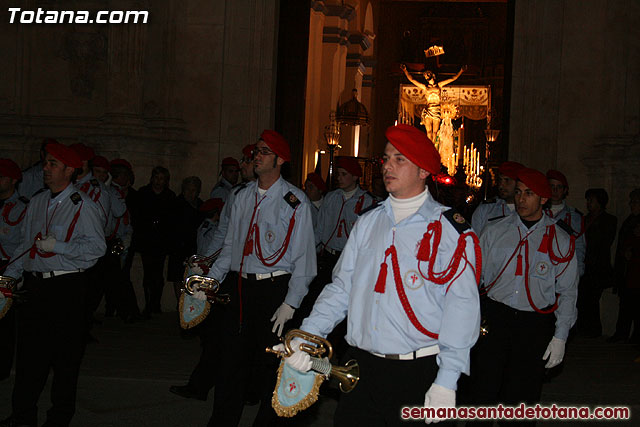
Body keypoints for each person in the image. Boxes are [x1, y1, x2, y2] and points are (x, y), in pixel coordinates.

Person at [281, 124, 481, 425]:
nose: (388, 166)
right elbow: (341, 289)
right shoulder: (368, 222)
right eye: (386, 158)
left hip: (418, 370)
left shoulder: (451, 231)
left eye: (399, 159)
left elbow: (462, 308)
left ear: (424, 170)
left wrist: (447, 379)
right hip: (361, 367)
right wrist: (308, 337)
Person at [200, 130, 316, 425]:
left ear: (280, 160)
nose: (257, 156)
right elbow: (230, 248)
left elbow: (304, 259)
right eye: (256, 151)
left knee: (271, 367)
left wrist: (291, 303)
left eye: (264, 151)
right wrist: (210, 280)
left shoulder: (294, 201)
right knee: (231, 364)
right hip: (241, 286)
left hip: (275, 289)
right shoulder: (241, 196)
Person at [1, 142, 106, 427]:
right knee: (29, 357)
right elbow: (25, 245)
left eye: (52, 164)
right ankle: (23, 415)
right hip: (35, 286)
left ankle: (59, 418)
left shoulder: (83, 206)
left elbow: (96, 248)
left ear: (70, 170)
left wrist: (58, 246)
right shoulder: (35, 202)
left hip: (66, 287)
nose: (45, 169)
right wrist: (10, 275)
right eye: (45, 163)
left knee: (65, 359)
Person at [466, 168, 578, 423]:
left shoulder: (560, 238)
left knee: (522, 399)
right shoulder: (494, 231)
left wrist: (560, 336)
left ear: (543, 199)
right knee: (483, 391)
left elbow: (568, 292)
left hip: (533, 324)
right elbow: (472, 278)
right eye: (518, 192)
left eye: (529, 193)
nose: (521, 199)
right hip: (496, 318)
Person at [135, 166, 176, 317]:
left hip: (161, 240)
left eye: (162, 179)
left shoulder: (169, 196)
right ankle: (148, 304)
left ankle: (155, 303)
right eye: (157, 178)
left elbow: (171, 221)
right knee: (148, 273)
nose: (159, 182)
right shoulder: (144, 193)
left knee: (158, 274)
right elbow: (138, 216)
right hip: (146, 239)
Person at [0, 159, 27, 382]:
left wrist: (14, 273)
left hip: (6, 267)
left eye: (2, 177)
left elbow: (24, 243)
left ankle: (2, 366)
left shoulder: (22, 207)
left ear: (14, 180)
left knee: (3, 322)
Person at [576, 189, 617, 338]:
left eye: (591, 200)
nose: (588, 204)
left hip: (597, 267)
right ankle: (584, 330)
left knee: (591, 300)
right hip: (585, 266)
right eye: (587, 200)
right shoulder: (584, 219)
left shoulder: (609, 220)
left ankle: (593, 331)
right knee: (583, 300)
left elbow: (603, 242)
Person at [400, 63, 465, 143]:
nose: (426, 76)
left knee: (434, 132)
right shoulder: (425, 87)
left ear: (431, 74)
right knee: (429, 131)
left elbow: (452, 78)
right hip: (429, 110)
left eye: (427, 74)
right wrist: (405, 71)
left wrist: (461, 71)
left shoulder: (439, 85)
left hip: (437, 110)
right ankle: (428, 146)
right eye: (425, 75)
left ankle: (432, 146)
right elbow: (412, 80)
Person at [608, 188, 640, 344]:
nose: (631, 205)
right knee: (626, 303)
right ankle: (622, 333)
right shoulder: (630, 220)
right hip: (628, 271)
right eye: (631, 202)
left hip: (636, 271)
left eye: (635, 202)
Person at [545, 169, 586, 277]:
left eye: (559, 187)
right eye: (552, 186)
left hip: (562, 270)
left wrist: (577, 273)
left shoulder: (574, 217)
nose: (555, 190)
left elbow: (578, 247)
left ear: (564, 190)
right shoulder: (537, 212)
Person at [168, 176, 204, 299]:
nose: (190, 193)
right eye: (188, 190)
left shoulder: (201, 206)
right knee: (178, 277)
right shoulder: (176, 204)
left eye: (194, 190)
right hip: (179, 247)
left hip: (195, 248)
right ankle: (180, 303)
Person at [471, 161, 524, 234]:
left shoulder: (528, 210)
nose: (501, 185)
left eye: (507, 180)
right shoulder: (486, 209)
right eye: (500, 180)